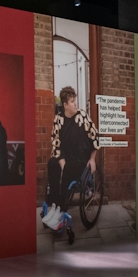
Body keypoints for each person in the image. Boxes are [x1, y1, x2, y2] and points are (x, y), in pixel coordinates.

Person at [44, 86, 99, 216]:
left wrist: (92, 158)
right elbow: (55, 142)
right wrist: (61, 162)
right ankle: (55, 204)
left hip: (80, 160)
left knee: (68, 169)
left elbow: (95, 137)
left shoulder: (83, 116)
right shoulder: (58, 119)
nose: (75, 104)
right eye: (72, 101)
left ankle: (61, 209)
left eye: (75, 101)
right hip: (64, 158)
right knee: (52, 164)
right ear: (65, 105)